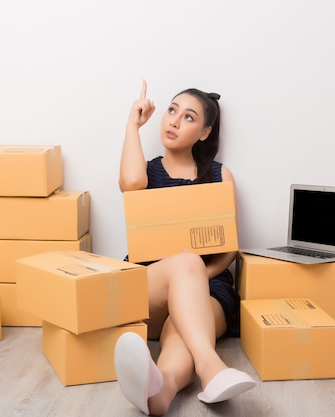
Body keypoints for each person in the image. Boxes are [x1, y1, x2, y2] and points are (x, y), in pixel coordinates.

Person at [114, 80, 257, 416]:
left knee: (183, 322)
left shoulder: (221, 176)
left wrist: (195, 274)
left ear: (205, 132)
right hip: (149, 284)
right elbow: (130, 184)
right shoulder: (146, 173)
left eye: (188, 117)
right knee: (184, 264)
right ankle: (212, 369)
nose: (174, 121)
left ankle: (161, 391)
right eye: (172, 111)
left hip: (208, 288)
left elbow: (227, 251)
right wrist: (132, 125)